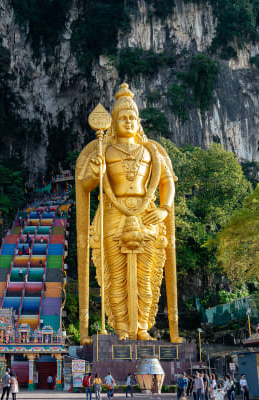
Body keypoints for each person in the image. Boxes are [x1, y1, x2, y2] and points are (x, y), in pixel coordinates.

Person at [77, 83, 182, 342]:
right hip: (113, 212)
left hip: (146, 212)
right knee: (116, 275)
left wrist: (164, 209)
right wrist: (96, 172)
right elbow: (86, 185)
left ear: (139, 121)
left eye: (132, 117)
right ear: (113, 121)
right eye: (122, 117)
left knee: (146, 275)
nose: (128, 121)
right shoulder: (105, 150)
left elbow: (167, 182)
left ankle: (143, 326)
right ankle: (122, 328)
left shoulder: (152, 152)